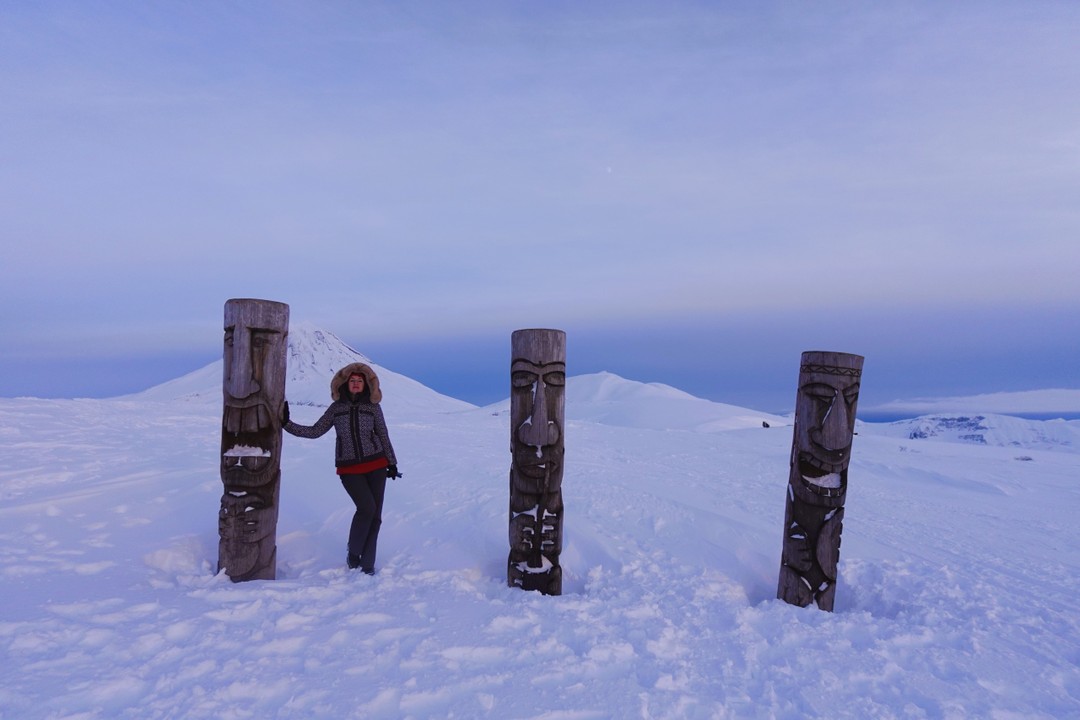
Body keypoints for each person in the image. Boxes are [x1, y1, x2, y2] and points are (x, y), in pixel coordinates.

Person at [282, 362, 401, 574]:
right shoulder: (337, 408)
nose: (356, 384)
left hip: (377, 465)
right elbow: (315, 431)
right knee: (366, 508)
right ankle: (354, 553)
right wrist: (286, 424)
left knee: (375, 515)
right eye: (352, 381)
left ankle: (367, 564)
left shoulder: (373, 407)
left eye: (360, 381)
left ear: (366, 385)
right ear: (345, 384)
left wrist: (392, 463)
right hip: (349, 469)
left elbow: (383, 434)